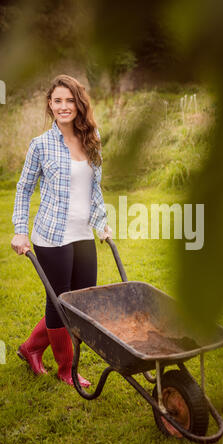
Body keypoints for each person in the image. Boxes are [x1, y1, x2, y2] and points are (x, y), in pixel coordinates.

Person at [11, 74, 112, 388]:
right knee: (59, 302)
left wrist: (101, 222)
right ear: (50, 104)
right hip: (51, 236)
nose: (64, 106)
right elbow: (24, 189)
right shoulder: (40, 145)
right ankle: (66, 369)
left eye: (70, 100)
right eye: (58, 100)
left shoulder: (91, 137)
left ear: (79, 104)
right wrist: (19, 230)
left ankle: (30, 348)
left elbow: (94, 189)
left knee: (81, 303)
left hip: (82, 233)